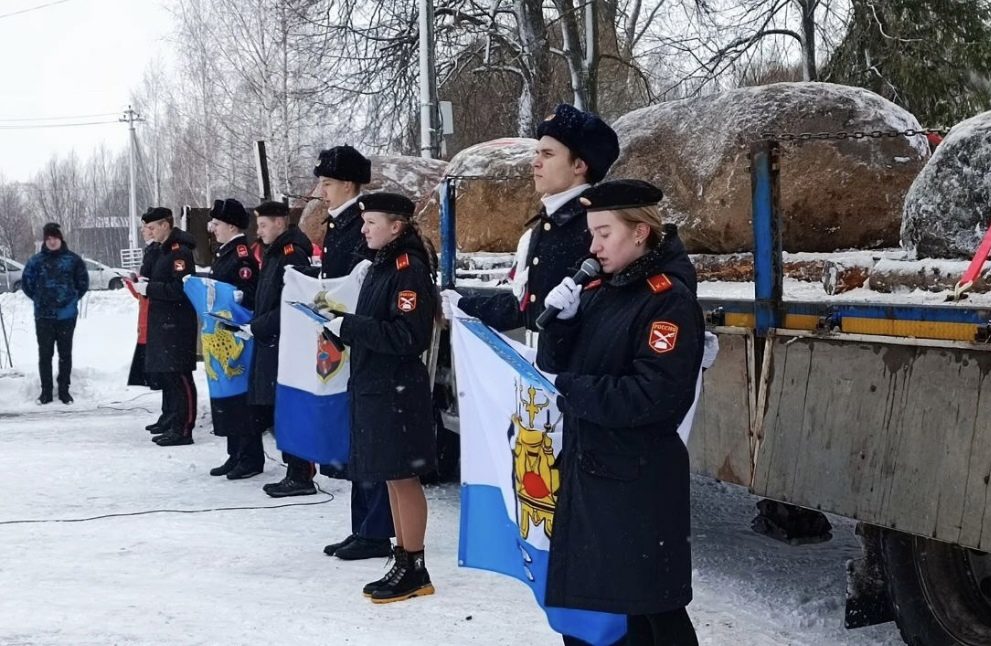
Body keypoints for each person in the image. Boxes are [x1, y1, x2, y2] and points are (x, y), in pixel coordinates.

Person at [535, 180, 703, 646]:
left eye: (604, 233)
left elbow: (655, 395)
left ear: (640, 233)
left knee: (650, 616)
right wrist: (561, 327)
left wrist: (571, 389)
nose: (594, 245)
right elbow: (554, 363)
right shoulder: (604, 287)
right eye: (592, 233)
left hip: (636, 483)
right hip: (593, 472)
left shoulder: (667, 299)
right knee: (594, 612)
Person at [319, 192, 437, 603]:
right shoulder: (382, 267)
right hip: (376, 386)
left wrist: (350, 327)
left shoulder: (408, 269)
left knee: (404, 478)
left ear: (397, 226)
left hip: (396, 390)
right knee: (391, 475)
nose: (364, 228)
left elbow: (409, 336)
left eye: (371, 222)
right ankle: (403, 558)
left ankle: (415, 564)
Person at [442, 103, 619, 334]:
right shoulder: (545, 226)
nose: (535, 162)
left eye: (547, 154)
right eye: (537, 153)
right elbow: (526, 308)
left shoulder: (596, 227)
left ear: (579, 165)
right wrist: (463, 304)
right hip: (545, 364)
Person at [311, 146, 395, 561]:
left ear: (347, 184)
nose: (321, 191)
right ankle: (363, 525)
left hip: (362, 338)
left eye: (326, 183)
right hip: (345, 335)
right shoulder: (340, 223)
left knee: (369, 438)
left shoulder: (362, 224)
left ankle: (376, 528)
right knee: (357, 437)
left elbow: (360, 285)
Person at [248, 201, 316, 497]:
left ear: (280, 223)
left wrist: (262, 325)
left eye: (263, 225)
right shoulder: (275, 251)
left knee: (289, 408)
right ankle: (296, 469)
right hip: (273, 340)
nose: (259, 231)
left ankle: (300, 473)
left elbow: (293, 303)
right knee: (278, 408)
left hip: (284, 342)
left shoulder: (292, 253)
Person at [204, 198, 262, 480]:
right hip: (222, 333)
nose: (212, 228)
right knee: (228, 394)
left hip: (237, 335)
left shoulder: (241, 256)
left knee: (240, 397)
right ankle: (235, 452)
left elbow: (247, 294)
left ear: (231, 225)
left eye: (216, 223)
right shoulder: (225, 252)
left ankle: (249, 457)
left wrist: (233, 298)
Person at [132, 207, 198, 447]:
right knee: (169, 376)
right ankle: (173, 422)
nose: (149, 232)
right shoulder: (161, 250)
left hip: (177, 323)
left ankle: (184, 428)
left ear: (165, 225)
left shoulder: (179, 251)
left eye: (152, 227)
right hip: (163, 321)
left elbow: (180, 288)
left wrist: (150, 289)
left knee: (180, 376)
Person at [21, 222, 88, 404]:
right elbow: (26, 284)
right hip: (43, 316)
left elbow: (82, 283)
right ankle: (46, 392)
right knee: (45, 355)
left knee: (65, 354)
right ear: (44, 240)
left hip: (66, 316)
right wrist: (39, 299)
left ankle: (64, 390)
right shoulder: (36, 261)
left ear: (60, 238)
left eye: (55, 238)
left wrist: (71, 298)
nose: (52, 242)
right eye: (48, 238)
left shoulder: (73, 260)